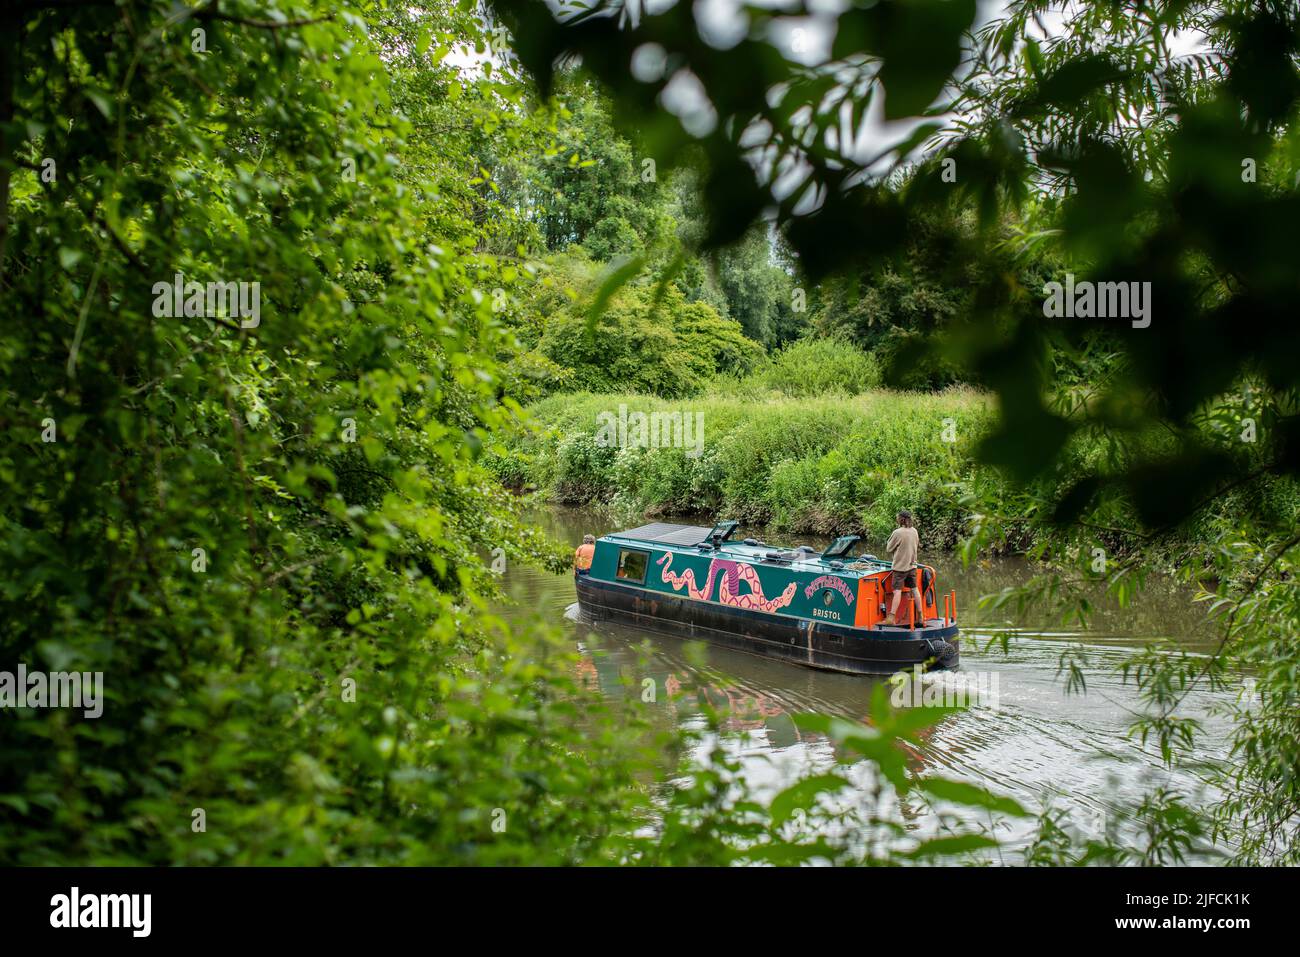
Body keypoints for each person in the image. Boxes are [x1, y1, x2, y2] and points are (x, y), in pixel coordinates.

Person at [885, 511, 923, 626]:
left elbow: (889, 548)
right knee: (915, 589)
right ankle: (921, 616)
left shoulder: (897, 533)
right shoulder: (914, 531)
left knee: (897, 592)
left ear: (900, 519)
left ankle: (891, 618)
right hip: (912, 566)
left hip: (900, 568)